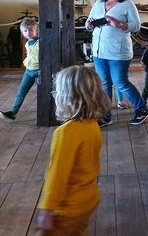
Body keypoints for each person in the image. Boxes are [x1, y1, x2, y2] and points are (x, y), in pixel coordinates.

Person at [36, 66, 109, 235]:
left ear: (67, 97)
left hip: (68, 207)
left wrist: (47, 209)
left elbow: (57, 175)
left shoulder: (66, 133)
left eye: (58, 91)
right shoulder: (92, 124)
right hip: (88, 198)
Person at [86, 0, 148, 127]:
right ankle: (105, 116)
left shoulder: (127, 4)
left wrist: (119, 24)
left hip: (118, 52)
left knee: (120, 83)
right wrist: (89, 25)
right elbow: (89, 24)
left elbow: (136, 25)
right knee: (104, 84)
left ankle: (142, 109)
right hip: (99, 51)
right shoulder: (98, 3)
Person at [0, 18, 39, 121]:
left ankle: (65, 111)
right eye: (25, 31)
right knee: (21, 91)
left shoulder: (40, 42)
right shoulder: (27, 43)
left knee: (50, 92)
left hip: (40, 71)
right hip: (29, 71)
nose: (28, 33)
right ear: (22, 32)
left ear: (36, 30)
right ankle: (13, 112)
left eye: (31, 30)